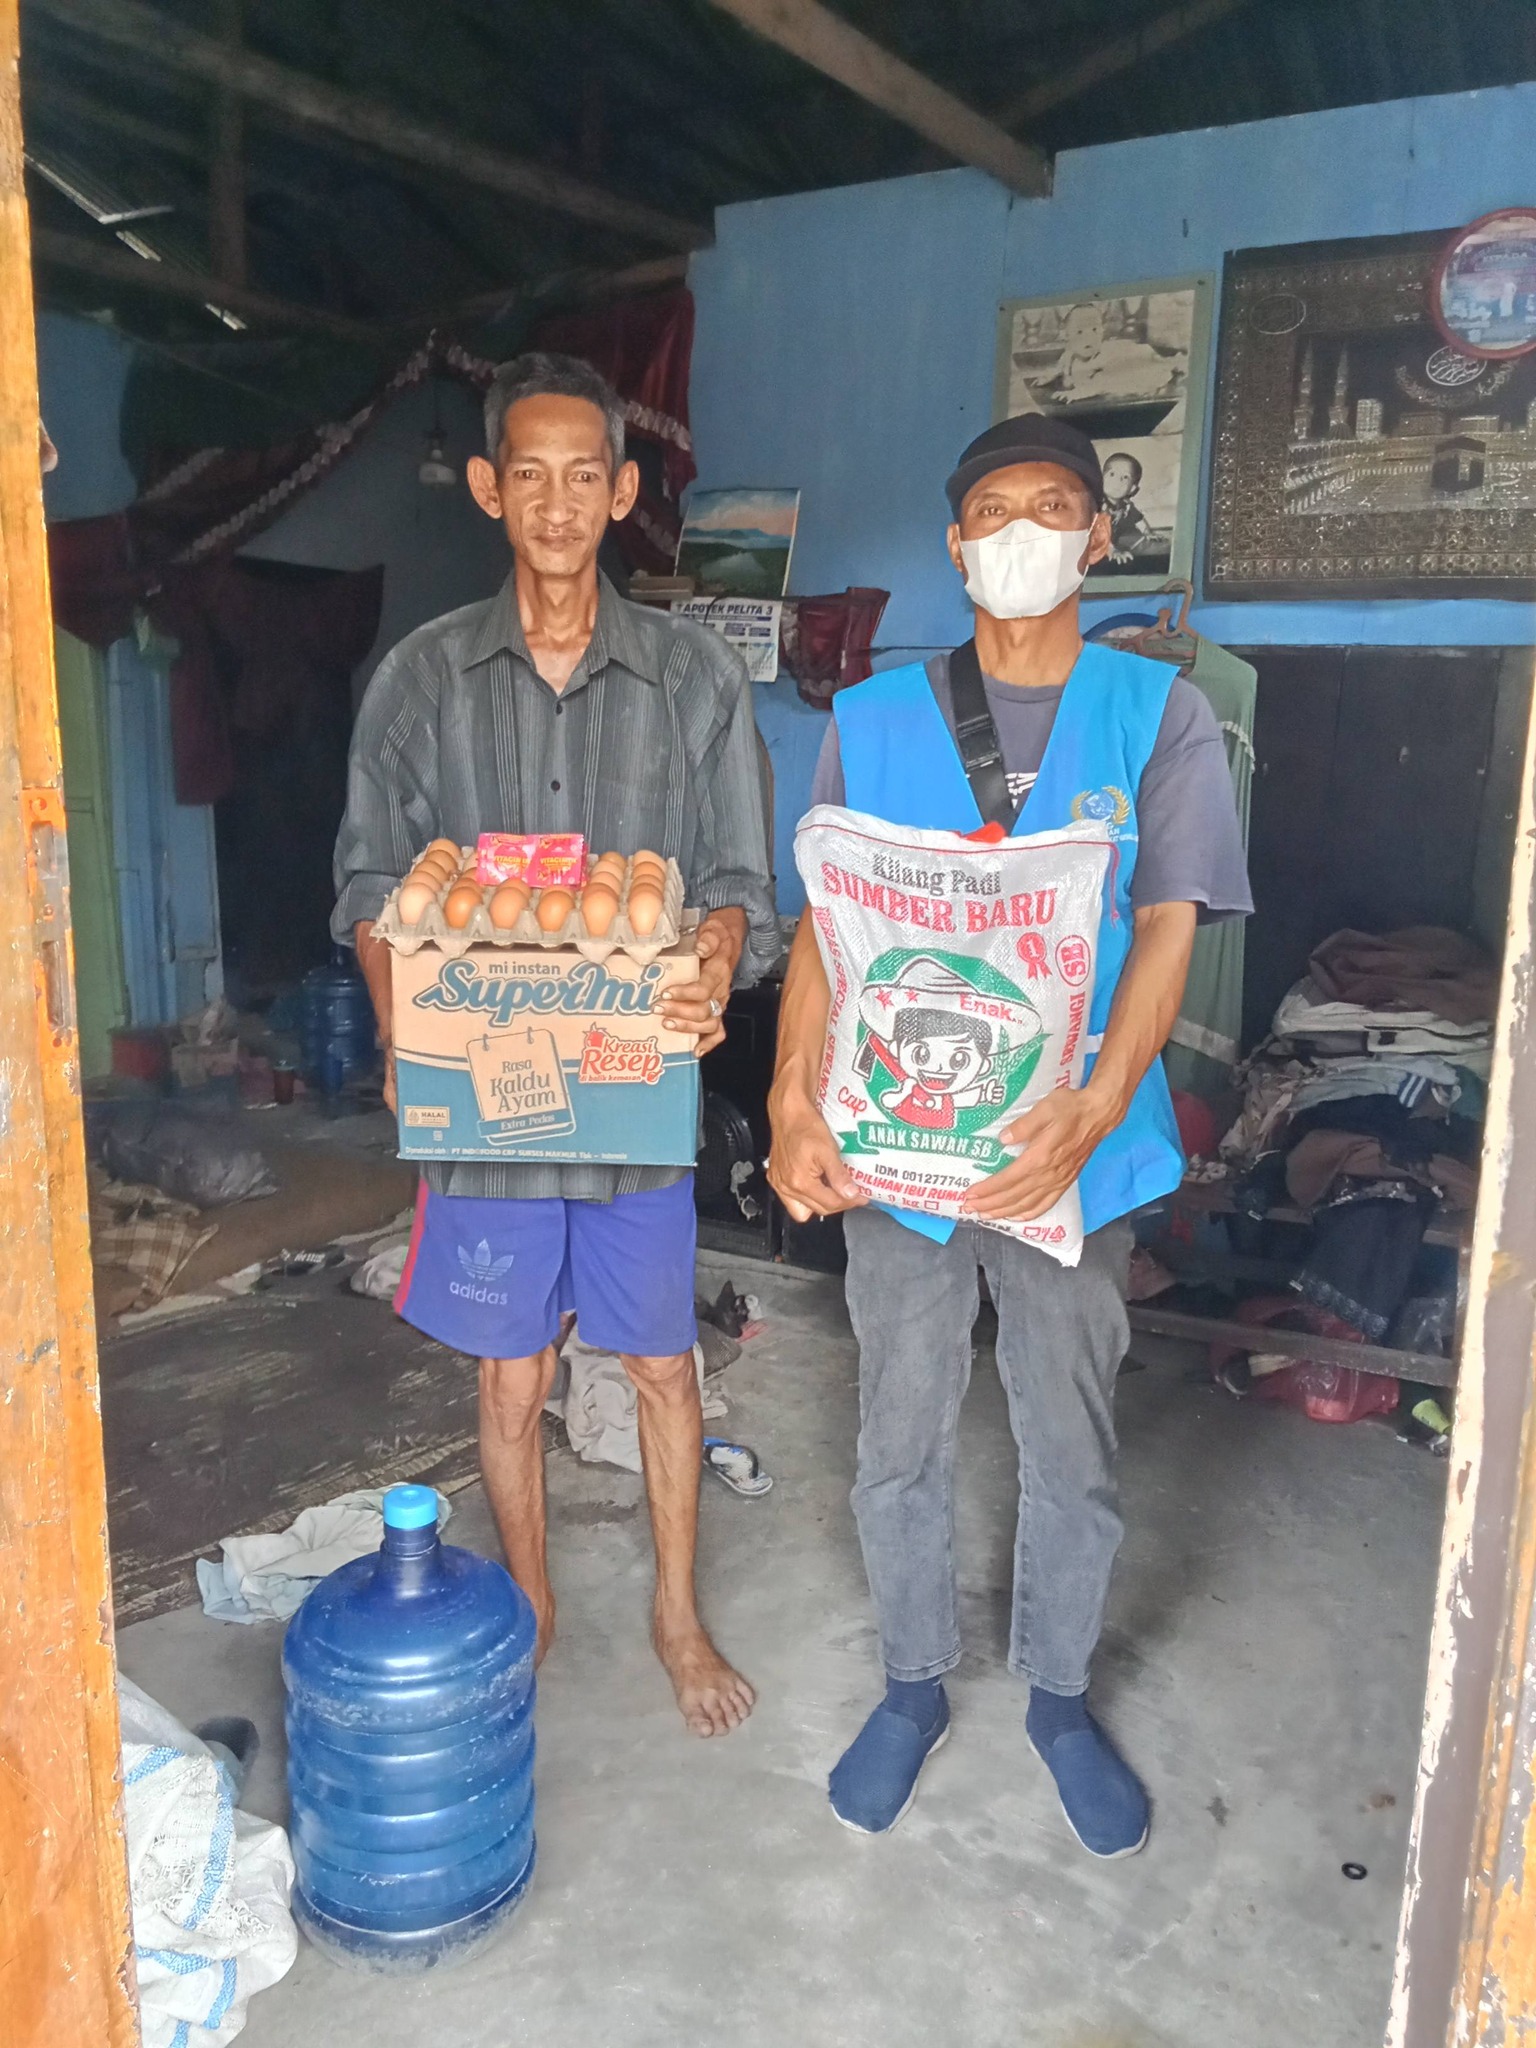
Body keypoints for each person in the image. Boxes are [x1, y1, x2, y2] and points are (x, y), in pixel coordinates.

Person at [768, 413, 1251, 1850]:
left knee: (1069, 1442)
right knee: (897, 1435)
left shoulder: (1159, 716)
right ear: (957, 544)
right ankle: (911, 1684)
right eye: (993, 511)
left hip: (1072, 1155)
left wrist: (1094, 1108)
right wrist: (792, 1095)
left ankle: (1057, 1694)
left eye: (1052, 506)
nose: (1022, 531)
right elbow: (824, 931)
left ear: (1098, 537)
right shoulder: (872, 720)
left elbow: (1167, 932)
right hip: (904, 1156)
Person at [333, 353, 777, 1737]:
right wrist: (403, 1018)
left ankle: (676, 1612)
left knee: (659, 1363)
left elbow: (738, 887)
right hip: (489, 1101)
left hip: (634, 1095)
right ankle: (530, 1602)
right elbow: (370, 885)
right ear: (488, 488)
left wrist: (712, 965)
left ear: (624, 492)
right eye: (530, 473)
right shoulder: (421, 680)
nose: (559, 501)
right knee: (510, 1372)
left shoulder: (695, 679)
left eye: (586, 474)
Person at [1101, 450, 1155, 563]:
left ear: (1132, 488)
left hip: (1110, 544)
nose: (1118, 481)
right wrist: (1112, 551)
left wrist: (1148, 533)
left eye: (1125, 477)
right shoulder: (1097, 504)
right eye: (1112, 474)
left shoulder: (1126, 506)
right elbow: (1098, 533)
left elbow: (1138, 519)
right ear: (1101, 478)